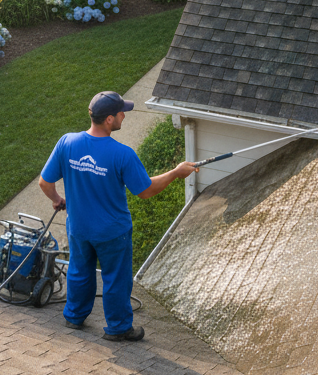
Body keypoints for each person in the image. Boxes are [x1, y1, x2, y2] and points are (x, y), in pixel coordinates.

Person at [38, 90, 198, 341]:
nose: (125, 114)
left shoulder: (67, 142)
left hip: (78, 228)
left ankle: (74, 316)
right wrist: (176, 173)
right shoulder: (122, 155)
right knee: (116, 279)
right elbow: (145, 191)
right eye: (121, 111)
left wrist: (59, 201)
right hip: (112, 233)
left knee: (79, 270)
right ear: (109, 119)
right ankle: (119, 328)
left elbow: (45, 183)